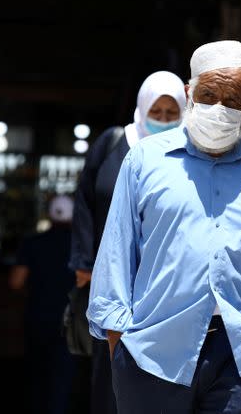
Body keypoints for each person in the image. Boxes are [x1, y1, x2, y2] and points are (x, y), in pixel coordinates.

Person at [87, 40, 241, 414]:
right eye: (209, 94)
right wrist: (120, 345)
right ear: (189, 93)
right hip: (152, 351)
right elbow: (117, 254)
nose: (219, 108)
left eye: (233, 100)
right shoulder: (144, 161)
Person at [69, 70, 186, 414]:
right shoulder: (113, 143)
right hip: (111, 277)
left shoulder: (187, 152)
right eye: (156, 112)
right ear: (141, 108)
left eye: (171, 114)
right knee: (110, 370)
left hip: (162, 280)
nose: (163, 121)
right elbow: (85, 202)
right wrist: (83, 264)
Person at [10, 195, 77, 414]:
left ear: (49, 214)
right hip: (69, 322)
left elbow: (16, 282)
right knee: (61, 381)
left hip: (37, 317)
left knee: (36, 376)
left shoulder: (32, 243)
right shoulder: (83, 247)